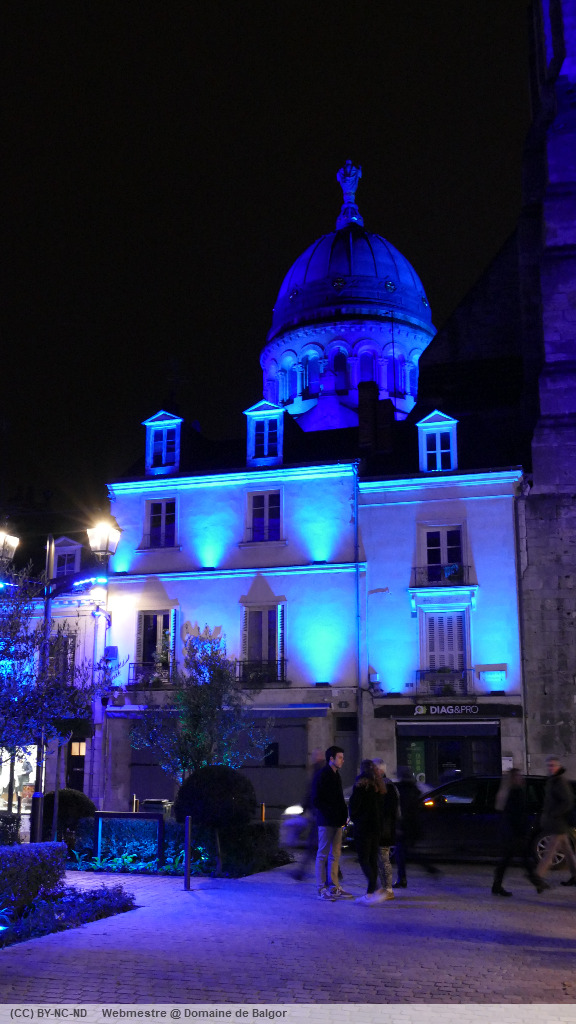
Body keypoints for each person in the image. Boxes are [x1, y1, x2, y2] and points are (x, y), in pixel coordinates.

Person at [311, 745, 354, 901]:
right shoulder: (323, 775)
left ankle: (334, 886)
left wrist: (343, 816)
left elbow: (339, 800)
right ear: (331, 759)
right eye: (340, 757)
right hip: (326, 821)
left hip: (336, 822)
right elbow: (316, 799)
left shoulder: (336, 775)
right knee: (322, 854)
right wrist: (331, 813)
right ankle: (321, 888)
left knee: (335, 855)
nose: (343, 760)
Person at [491, 768, 541, 896]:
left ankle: (497, 886)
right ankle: (537, 882)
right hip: (514, 833)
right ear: (514, 779)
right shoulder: (516, 792)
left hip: (510, 832)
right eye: (518, 776)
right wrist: (523, 832)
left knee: (508, 860)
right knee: (521, 858)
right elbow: (517, 815)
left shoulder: (508, 792)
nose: (521, 778)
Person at [533, 755, 576, 889]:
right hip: (557, 822)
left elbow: (567, 801)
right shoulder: (553, 780)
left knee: (550, 851)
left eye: (552, 765)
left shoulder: (559, 782)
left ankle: (538, 876)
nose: (550, 768)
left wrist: (554, 813)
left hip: (558, 822)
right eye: (549, 765)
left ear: (558, 766)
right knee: (567, 851)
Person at [393, 766, 440, 887]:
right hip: (413, 825)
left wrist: (399, 826)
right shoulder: (414, 789)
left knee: (403, 853)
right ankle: (405, 877)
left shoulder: (402, 790)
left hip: (406, 826)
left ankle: (404, 878)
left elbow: (402, 810)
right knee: (404, 852)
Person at [349, 759, 386, 905]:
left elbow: (354, 805)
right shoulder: (379, 785)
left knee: (364, 860)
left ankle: (375, 889)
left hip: (363, 827)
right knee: (372, 859)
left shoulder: (361, 785)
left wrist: (354, 818)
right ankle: (371, 893)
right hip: (376, 827)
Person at [291, 748, 325, 881]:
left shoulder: (318, 772)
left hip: (317, 814)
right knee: (316, 845)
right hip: (317, 814)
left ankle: (301, 872)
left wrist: (306, 810)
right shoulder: (318, 771)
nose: (312, 758)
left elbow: (312, 793)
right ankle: (302, 872)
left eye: (314, 755)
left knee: (313, 845)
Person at [372, 759, 398, 900]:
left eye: (375, 769)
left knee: (383, 858)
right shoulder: (383, 785)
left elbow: (389, 811)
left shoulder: (387, 786)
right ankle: (384, 888)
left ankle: (388, 889)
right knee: (380, 859)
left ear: (380, 770)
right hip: (381, 828)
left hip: (384, 829)